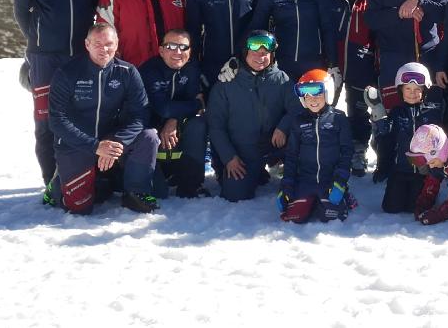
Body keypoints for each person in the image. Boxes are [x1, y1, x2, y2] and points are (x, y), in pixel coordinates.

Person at [15, 0, 104, 188]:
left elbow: (94, 7)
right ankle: (50, 182)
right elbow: (21, 10)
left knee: (79, 119)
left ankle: (77, 179)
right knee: (45, 123)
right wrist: (38, 39)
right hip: (45, 58)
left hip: (80, 55)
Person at [47, 22, 161, 214]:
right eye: (98, 44)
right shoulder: (68, 73)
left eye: (109, 43)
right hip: (77, 143)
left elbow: (140, 115)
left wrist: (116, 141)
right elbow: (57, 120)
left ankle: (136, 193)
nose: (104, 49)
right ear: (87, 44)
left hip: (111, 139)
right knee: (80, 208)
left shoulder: (128, 72)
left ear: (117, 44)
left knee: (149, 136)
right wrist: (95, 146)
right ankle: (57, 187)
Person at [365, 0, 448, 112]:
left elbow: (444, 13)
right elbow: (371, 19)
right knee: (394, 112)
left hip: (427, 55)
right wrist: (400, 13)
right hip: (393, 57)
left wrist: (420, 2)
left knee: (430, 111)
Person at [207, 31, 293, 202]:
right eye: (254, 52)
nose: (260, 57)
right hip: (243, 150)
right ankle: (228, 169)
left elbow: (297, 109)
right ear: (245, 52)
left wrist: (283, 127)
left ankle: (292, 173)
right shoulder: (227, 82)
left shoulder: (281, 79)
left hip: (274, 145)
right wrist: (229, 157)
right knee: (235, 194)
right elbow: (216, 127)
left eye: (265, 53)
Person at [319, 0, 375, 175]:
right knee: (326, 108)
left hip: (362, 65)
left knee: (359, 111)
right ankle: (326, 150)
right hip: (332, 63)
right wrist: (327, 62)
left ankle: (358, 150)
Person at [278, 68, 354, 223]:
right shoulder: (298, 121)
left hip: (330, 180)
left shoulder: (338, 119)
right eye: (307, 95)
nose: (312, 99)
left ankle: (344, 196)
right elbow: (291, 155)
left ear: (328, 94)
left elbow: (346, 152)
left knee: (330, 216)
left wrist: (340, 181)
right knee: (294, 217)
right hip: (306, 180)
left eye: (318, 94)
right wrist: (286, 185)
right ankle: (309, 200)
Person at [138, 29, 207, 198]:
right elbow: (162, 108)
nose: (178, 52)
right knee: (158, 193)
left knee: (198, 125)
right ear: (161, 50)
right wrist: (197, 103)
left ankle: (191, 185)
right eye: (171, 46)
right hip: (150, 130)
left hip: (176, 127)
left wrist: (174, 119)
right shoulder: (149, 70)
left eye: (183, 47)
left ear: (190, 51)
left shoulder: (191, 68)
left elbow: (190, 101)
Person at [375, 62, 448, 211]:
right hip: (400, 169)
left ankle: (429, 192)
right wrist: (381, 128)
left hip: (423, 172)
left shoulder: (432, 112)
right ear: (400, 90)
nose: (412, 93)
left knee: (414, 207)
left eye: (417, 89)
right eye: (408, 89)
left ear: (425, 90)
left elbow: (442, 140)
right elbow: (387, 142)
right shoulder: (396, 112)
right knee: (391, 208)